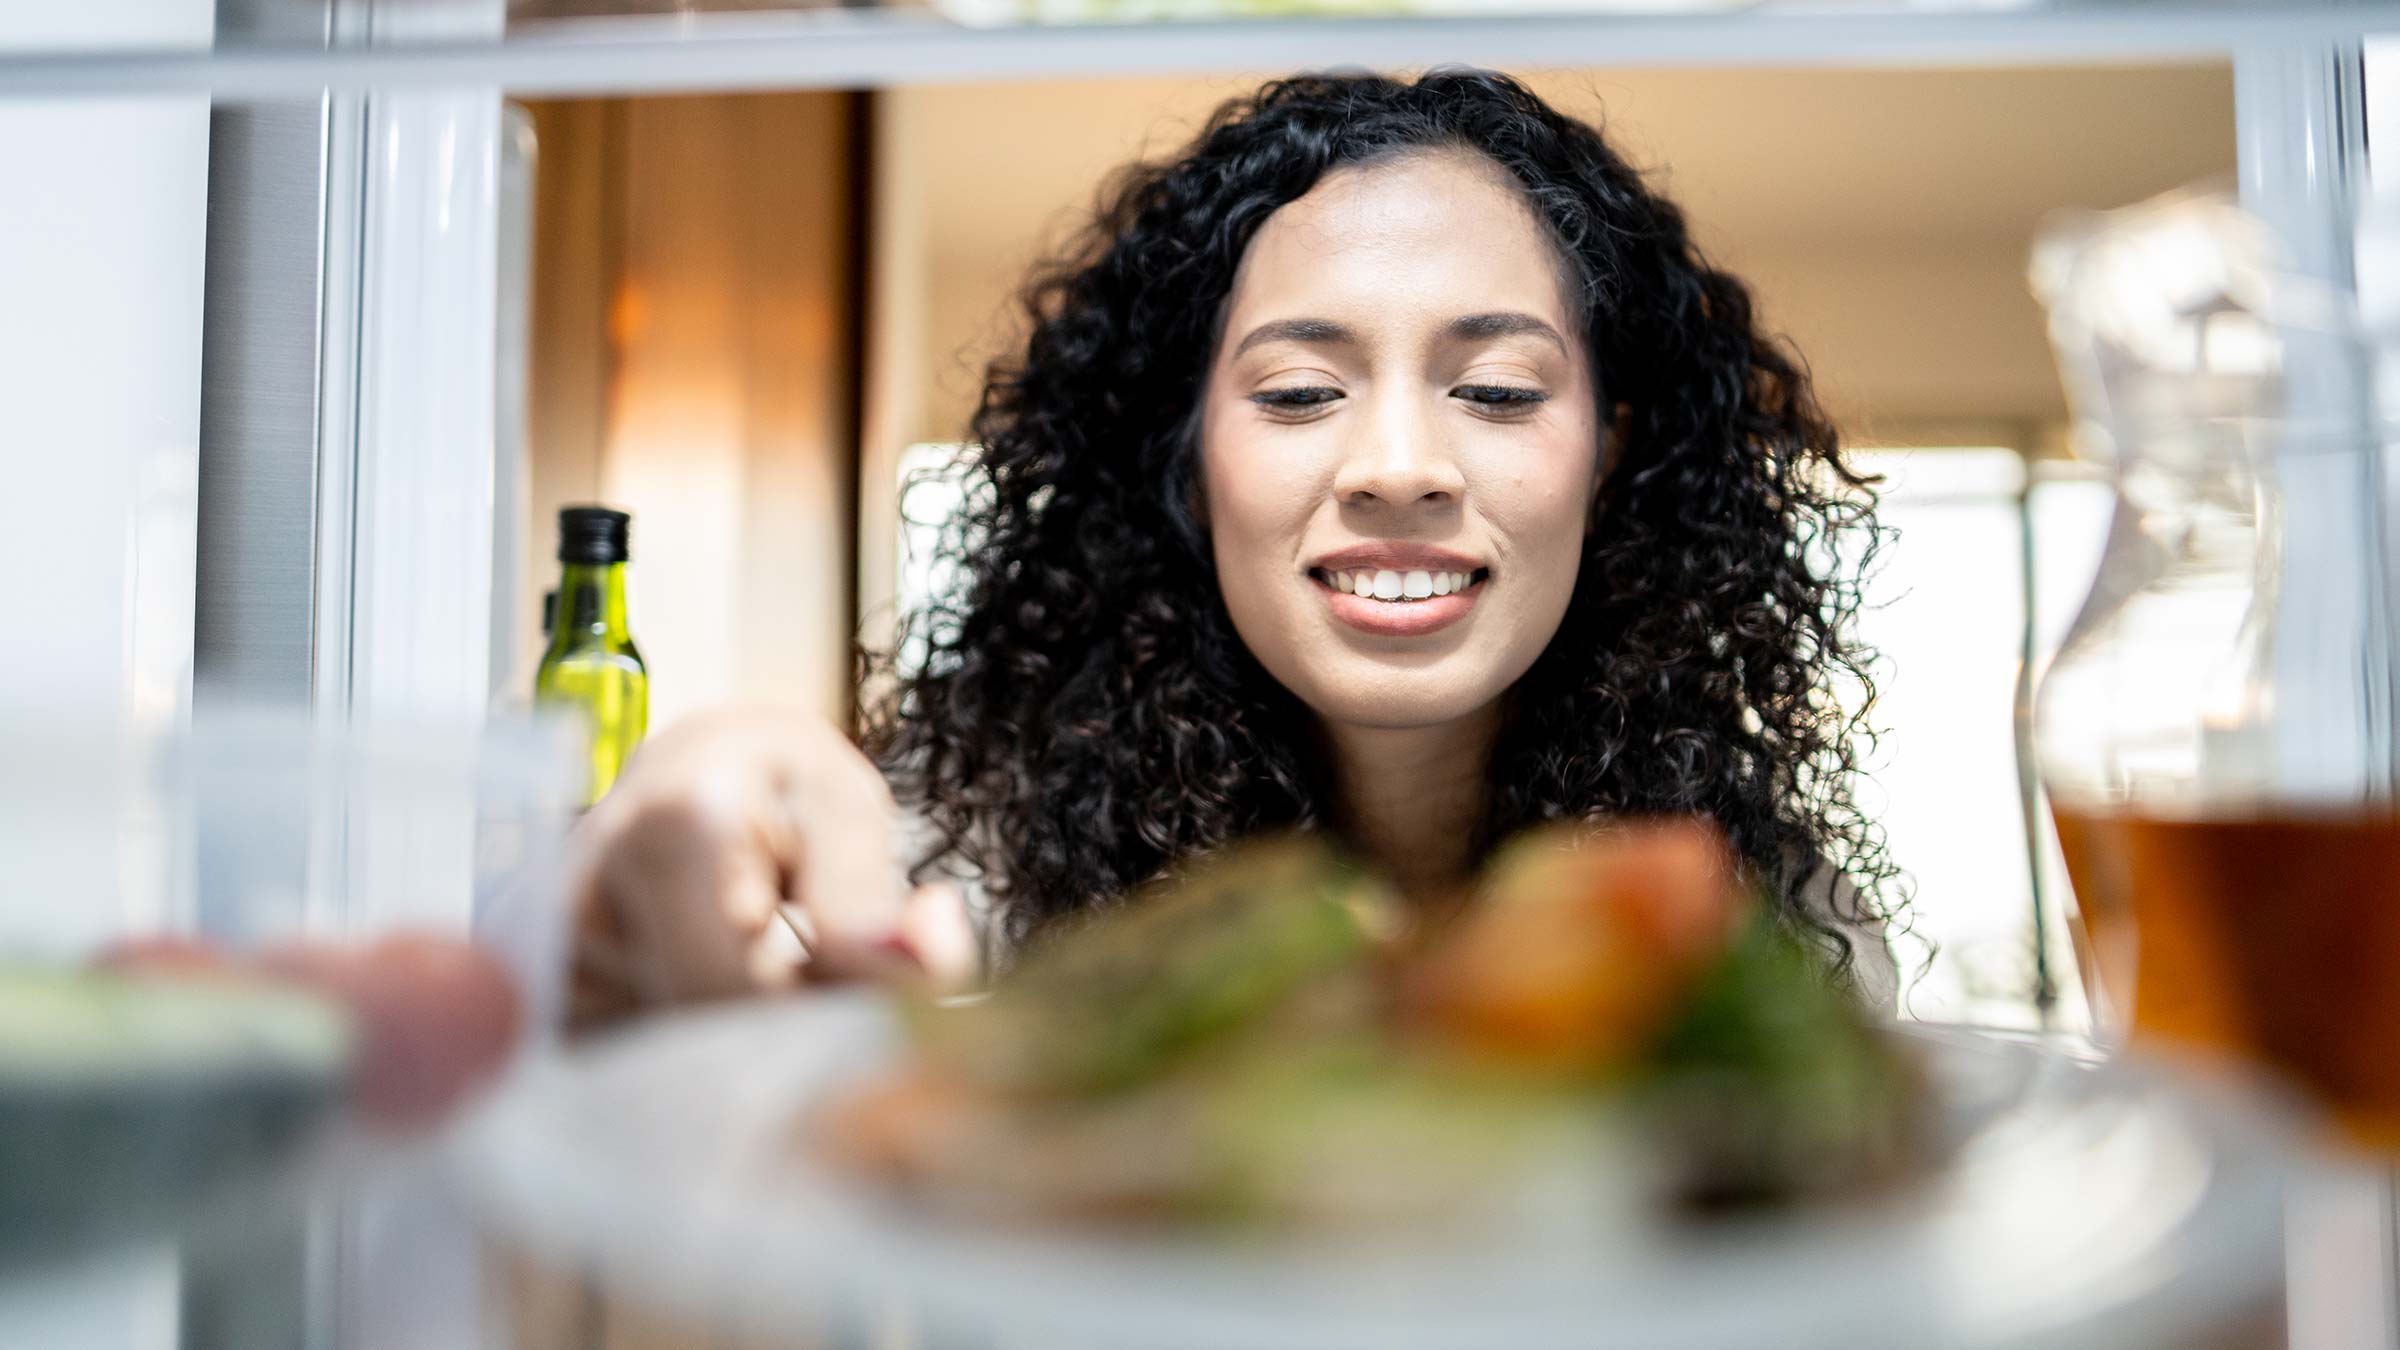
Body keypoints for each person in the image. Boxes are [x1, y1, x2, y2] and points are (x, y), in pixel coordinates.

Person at [565, 68, 1902, 1026]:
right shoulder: (971, 865)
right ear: (1188, 462)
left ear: (1608, 453)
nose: (1397, 467)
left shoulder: (1774, 933)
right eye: (1299, 393)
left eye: (1494, 388)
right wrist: (690, 812)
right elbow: (753, 947)